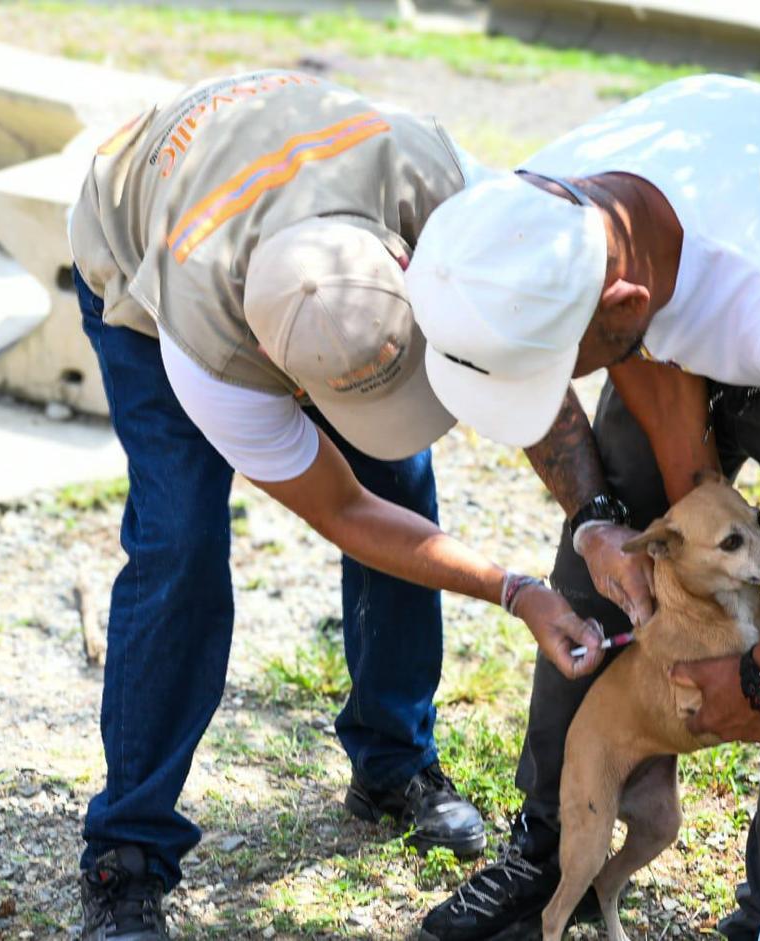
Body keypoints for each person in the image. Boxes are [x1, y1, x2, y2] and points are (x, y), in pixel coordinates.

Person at [405, 74, 760, 940]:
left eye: (561, 366)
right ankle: (551, 854)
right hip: (683, 305)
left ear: (621, 308)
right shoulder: (542, 216)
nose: (559, 386)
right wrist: (675, 504)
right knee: (609, 572)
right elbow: (649, 374)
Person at [67, 70, 604, 941]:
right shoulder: (208, 356)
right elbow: (344, 514)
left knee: (403, 478)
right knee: (179, 545)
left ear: (407, 263)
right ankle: (124, 852)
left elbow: (521, 351)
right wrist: (516, 589)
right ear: (279, 370)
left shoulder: (432, 180)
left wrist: (595, 510)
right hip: (140, 250)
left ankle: (393, 760)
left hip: (297, 181)